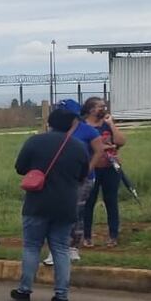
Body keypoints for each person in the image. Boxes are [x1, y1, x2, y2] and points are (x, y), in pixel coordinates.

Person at [11, 108, 90, 301]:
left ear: (49, 122)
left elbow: (20, 168)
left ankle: (25, 290)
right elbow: (83, 175)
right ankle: (61, 294)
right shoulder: (79, 146)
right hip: (66, 205)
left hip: (37, 202)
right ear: (72, 125)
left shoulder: (34, 142)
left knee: (31, 247)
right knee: (61, 249)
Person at [44, 99, 106, 265]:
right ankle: (55, 249)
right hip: (59, 178)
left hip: (81, 179)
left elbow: (99, 151)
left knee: (76, 212)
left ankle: (73, 247)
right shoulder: (55, 131)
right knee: (57, 212)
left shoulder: (87, 131)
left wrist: (88, 170)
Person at [81, 97, 127, 247]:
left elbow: (120, 141)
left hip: (110, 168)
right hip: (92, 168)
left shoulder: (107, 125)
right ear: (91, 109)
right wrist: (102, 148)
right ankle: (86, 236)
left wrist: (111, 124)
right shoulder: (84, 126)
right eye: (100, 106)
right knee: (88, 203)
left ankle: (113, 235)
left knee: (111, 201)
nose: (104, 108)